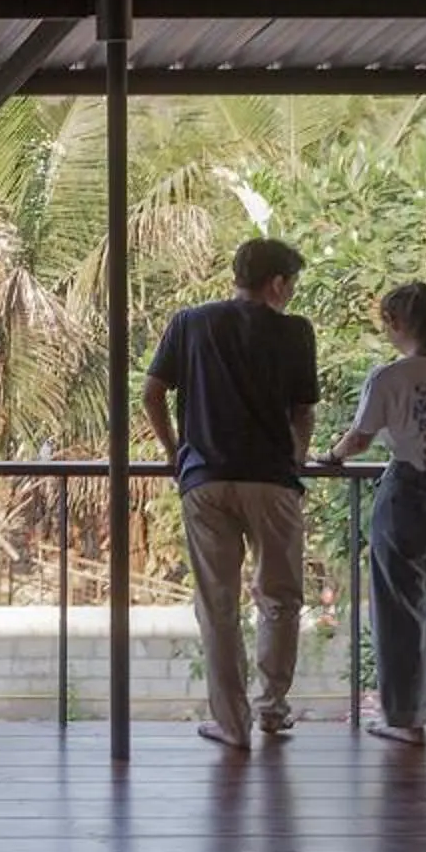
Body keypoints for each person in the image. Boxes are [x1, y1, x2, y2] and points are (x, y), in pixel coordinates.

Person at [143, 237, 321, 751]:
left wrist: (175, 452)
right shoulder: (295, 332)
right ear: (279, 283)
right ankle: (272, 709)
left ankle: (232, 724)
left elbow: (152, 393)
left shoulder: (190, 322)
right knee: (280, 600)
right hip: (271, 480)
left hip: (206, 479)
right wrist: (299, 457)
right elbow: (301, 412)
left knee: (218, 605)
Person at [324, 281, 426, 745]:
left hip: (408, 493)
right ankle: (421, 711)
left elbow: (359, 438)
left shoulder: (391, 377)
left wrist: (331, 457)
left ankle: (402, 718)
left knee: (399, 610)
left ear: (396, 324)